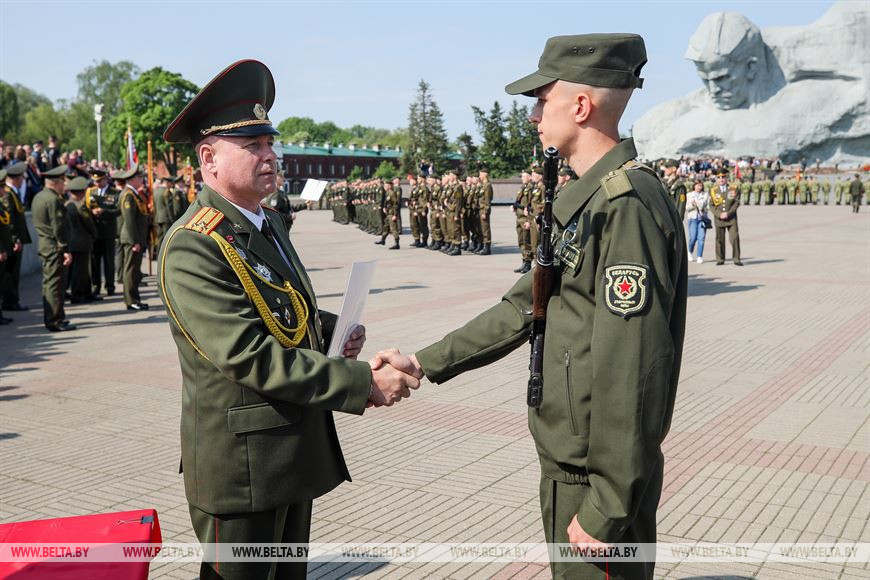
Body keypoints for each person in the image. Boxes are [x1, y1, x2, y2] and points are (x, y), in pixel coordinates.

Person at [375, 33, 687, 579]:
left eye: (543, 100)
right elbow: (522, 308)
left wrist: (609, 506)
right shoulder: (589, 200)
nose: (535, 115)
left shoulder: (624, 207)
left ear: (581, 107)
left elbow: (634, 371)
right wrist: (423, 362)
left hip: (597, 482)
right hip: (573, 467)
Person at [158, 59, 420, 580]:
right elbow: (250, 355)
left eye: (269, 142)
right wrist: (361, 381)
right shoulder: (194, 245)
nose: (269, 155)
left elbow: (277, 301)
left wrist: (330, 329)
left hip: (289, 450)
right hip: (243, 468)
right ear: (208, 158)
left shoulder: (267, 221)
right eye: (252, 145)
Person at [30, 166, 75, 331]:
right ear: (56, 183)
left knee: (50, 283)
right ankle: (55, 320)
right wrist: (64, 249)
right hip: (54, 247)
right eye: (63, 181)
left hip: (45, 245)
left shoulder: (39, 197)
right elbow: (58, 227)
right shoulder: (54, 200)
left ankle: (55, 317)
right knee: (55, 284)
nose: (64, 185)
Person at [115, 167, 150, 311]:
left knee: (134, 271)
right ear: (132, 179)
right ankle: (131, 300)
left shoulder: (134, 194)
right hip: (131, 239)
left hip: (135, 238)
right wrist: (134, 241)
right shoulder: (128, 195)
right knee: (130, 270)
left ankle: (135, 298)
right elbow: (129, 221)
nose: (141, 180)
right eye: (139, 177)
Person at [1, 162, 32, 312]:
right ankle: (10, 301)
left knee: (13, 273)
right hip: (12, 241)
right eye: (21, 178)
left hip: (14, 239)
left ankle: (12, 300)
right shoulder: (7, 194)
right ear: (16, 178)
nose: (23, 181)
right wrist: (15, 239)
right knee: (11, 273)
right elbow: (9, 219)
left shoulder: (12, 192)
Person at [65, 177, 100, 303]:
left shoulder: (67, 204)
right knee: (81, 271)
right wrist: (95, 234)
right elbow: (89, 224)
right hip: (82, 242)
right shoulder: (80, 206)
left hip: (73, 242)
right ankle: (78, 294)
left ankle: (85, 292)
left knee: (80, 270)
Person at [86, 169, 121, 296]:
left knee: (109, 261)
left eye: (100, 181)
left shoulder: (115, 193)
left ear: (105, 179)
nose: (97, 183)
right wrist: (92, 212)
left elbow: (118, 210)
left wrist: (104, 211)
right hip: (95, 231)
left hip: (108, 232)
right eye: (95, 181)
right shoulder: (91, 192)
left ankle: (110, 286)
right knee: (95, 261)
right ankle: (96, 285)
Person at [710, 180, 742, 265]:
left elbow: (736, 202)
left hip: (731, 219)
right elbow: (711, 205)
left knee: (734, 237)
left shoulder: (733, 188)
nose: (721, 179)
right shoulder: (714, 190)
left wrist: (728, 213)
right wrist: (719, 214)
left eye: (723, 177)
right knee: (719, 239)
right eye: (719, 177)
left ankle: (736, 259)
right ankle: (720, 259)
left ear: (726, 177)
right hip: (719, 218)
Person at [686, 180, 710, 263]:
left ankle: (700, 256)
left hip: (702, 219)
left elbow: (707, 206)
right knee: (693, 237)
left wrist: (700, 206)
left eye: (700, 185)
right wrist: (693, 205)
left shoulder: (705, 195)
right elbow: (686, 208)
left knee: (701, 238)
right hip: (692, 218)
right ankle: (690, 252)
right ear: (694, 186)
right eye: (697, 185)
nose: (699, 187)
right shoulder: (689, 195)